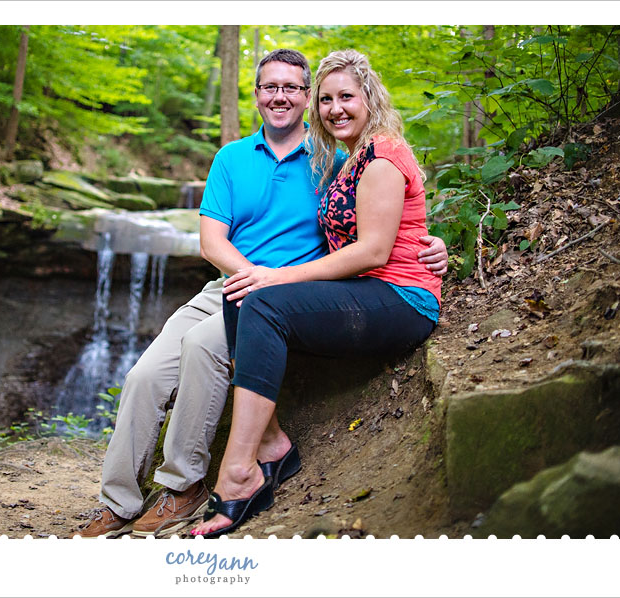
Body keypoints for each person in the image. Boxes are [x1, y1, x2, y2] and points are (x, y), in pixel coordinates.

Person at [75, 49, 447, 538]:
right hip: (231, 282)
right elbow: (211, 243)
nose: (281, 96)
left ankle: (182, 486)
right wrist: (253, 276)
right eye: (271, 87)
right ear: (256, 96)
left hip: (287, 291)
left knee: (202, 347)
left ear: (305, 97)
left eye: (292, 87)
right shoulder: (231, 159)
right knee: (144, 375)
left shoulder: (335, 158)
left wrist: (432, 244)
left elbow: (384, 222)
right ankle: (117, 502)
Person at [191, 49, 442, 538]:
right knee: (243, 288)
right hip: (364, 290)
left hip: (401, 297)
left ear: (370, 99)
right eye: (327, 99)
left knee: (261, 293)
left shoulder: (383, 154)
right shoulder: (347, 159)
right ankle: (272, 445)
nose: (335, 108)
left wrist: (277, 277)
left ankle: (238, 471)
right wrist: (263, 276)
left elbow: (374, 250)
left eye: (346, 97)